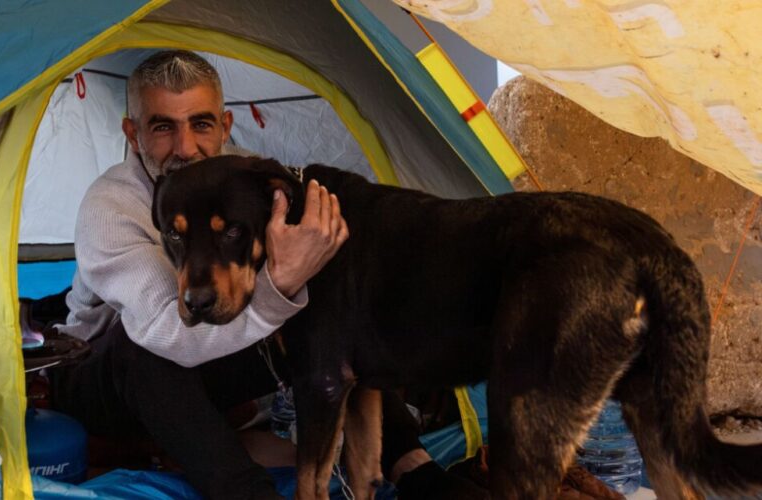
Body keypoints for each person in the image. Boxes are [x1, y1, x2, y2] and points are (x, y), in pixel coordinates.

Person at [50, 50, 484, 499]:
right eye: (163, 127)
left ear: (224, 126)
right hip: (103, 376)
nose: (185, 148)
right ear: (133, 133)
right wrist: (281, 286)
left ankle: (415, 470)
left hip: (209, 369)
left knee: (330, 315)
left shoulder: (249, 177)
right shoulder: (110, 206)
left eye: (200, 124)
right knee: (137, 347)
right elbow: (168, 333)